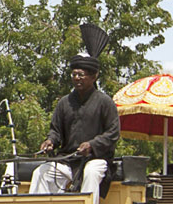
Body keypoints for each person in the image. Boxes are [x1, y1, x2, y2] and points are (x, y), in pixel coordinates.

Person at [30, 54, 118, 194]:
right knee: (42, 173)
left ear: (93, 77)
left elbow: (112, 133)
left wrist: (92, 145)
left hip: (95, 159)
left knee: (91, 172)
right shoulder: (64, 103)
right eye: (74, 74)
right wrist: (50, 140)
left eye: (81, 75)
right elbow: (56, 131)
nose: (76, 78)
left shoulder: (105, 102)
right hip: (67, 160)